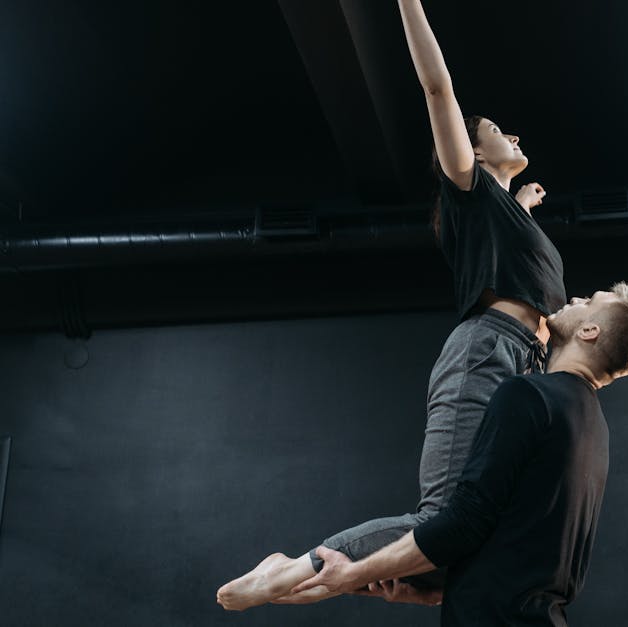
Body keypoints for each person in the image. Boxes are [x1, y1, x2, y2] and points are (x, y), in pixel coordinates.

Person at [217, 0, 563, 610]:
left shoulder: (504, 212)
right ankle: (298, 566)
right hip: (486, 352)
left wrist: (524, 207)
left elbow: (510, 257)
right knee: (448, 515)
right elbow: (436, 87)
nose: (514, 135)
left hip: (529, 369)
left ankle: (313, 573)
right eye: (497, 131)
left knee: (489, 524)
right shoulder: (468, 185)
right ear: (475, 154)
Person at [217, 283, 628, 625]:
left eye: (591, 301)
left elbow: (460, 524)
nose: (577, 298)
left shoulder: (529, 396)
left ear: (590, 331)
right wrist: (435, 591)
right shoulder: (594, 428)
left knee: (436, 516)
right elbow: (524, 549)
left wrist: (348, 576)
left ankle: (299, 567)